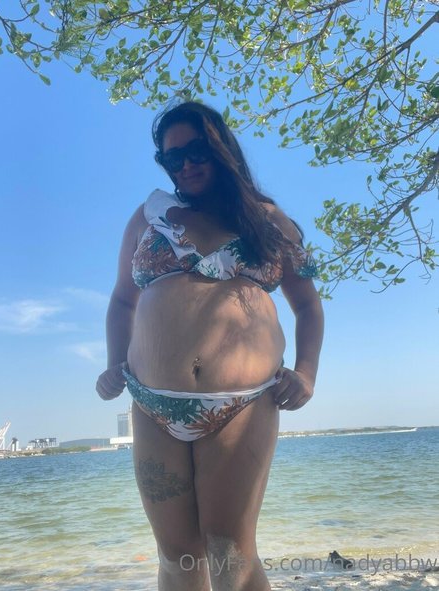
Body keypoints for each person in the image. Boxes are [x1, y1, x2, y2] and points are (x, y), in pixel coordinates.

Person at [96, 101, 324, 591]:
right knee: (176, 555)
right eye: (172, 157)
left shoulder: (268, 220)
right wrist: (114, 362)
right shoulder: (148, 217)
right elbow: (121, 301)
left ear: (221, 147)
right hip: (152, 404)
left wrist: (306, 372)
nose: (185, 164)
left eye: (196, 150)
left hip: (243, 403)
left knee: (229, 551)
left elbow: (308, 305)